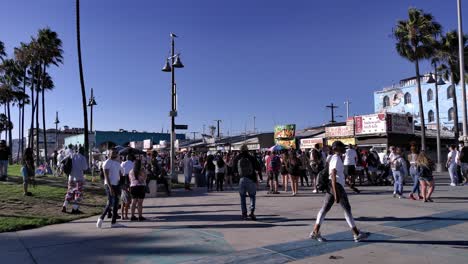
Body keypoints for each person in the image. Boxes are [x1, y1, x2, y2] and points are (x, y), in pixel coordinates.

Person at [310, 141, 368, 243]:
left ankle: (315, 231)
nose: (344, 149)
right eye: (342, 147)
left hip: (333, 186)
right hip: (336, 187)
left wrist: (351, 186)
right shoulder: (336, 158)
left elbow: (339, 175)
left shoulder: (334, 158)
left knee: (324, 209)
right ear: (337, 148)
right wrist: (336, 193)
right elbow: (333, 175)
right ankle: (356, 234)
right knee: (347, 209)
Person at [96, 148, 123, 228]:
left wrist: (120, 183)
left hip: (116, 185)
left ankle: (113, 222)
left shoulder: (117, 163)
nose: (114, 154)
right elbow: (106, 176)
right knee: (110, 202)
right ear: (109, 153)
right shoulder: (107, 162)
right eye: (112, 152)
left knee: (116, 203)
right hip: (109, 185)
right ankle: (101, 219)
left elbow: (120, 174)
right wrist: (110, 187)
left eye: (115, 153)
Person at [233, 144, 261, 220]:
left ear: (240, 150)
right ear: (247, 149)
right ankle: (251, 212)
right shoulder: (251, 157)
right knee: (252, 196)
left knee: (242, 197)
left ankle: (244, 214)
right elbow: (258, 167)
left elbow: (233, 170)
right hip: (251, 179)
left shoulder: (237, 158)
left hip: (241, 179)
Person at [62, 147, 88, 214]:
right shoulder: (82, 157)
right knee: (78, 194)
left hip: (71, 178)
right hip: (79, 178)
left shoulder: (72, 155)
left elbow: (63, 161)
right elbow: (85, 168)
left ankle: (64, 205)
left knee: (69, 193)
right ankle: (74, 208)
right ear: (82, 151)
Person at [120, 154, 135, 220]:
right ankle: (125, 215)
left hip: (122, 181)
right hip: (129, 181)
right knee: (128, 200)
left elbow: (120, 171)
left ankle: (122, 215)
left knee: (123, 200)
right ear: (131, 158)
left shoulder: (122, 163)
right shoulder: (133, 164)